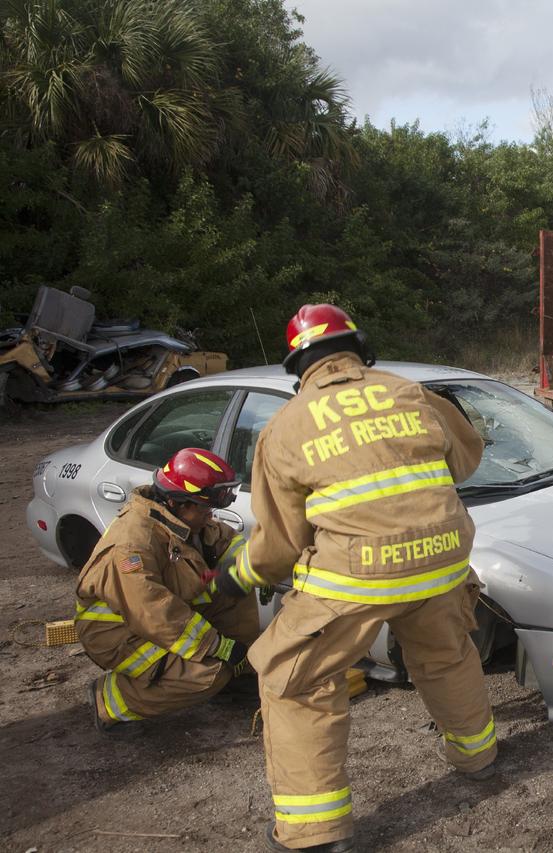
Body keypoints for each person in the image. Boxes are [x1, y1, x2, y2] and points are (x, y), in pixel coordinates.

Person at [212, 304, 494, 852]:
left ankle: (314, 832)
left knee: (293, 681)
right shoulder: (412, 393)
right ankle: (477, 756)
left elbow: (280, 543)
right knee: (446, 654)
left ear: (298, 366)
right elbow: (465, 460)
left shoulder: (285, 426)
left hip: (357, 578)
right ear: (359, 349)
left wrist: (239, 575)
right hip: (442, 558)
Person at [76, 448, 256, 736]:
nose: (211, 515)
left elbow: (229, 544)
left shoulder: (183, 521)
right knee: (206, 676)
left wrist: (256, 568)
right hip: (117, 632)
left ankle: (236, 677)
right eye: (205, 508)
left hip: (157, 614)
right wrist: (217, 646)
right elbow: (153, 611)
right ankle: (109, 700)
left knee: (236, 586)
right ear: (176, 502)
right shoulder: (132, 545)